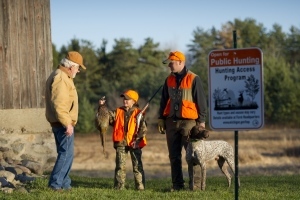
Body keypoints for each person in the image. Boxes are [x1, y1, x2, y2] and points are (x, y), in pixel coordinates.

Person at [157, 51, 207, 191]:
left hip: (189, 122)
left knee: (193, 155)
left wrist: (201, 122)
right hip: (171, 121)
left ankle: (195, 186)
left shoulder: (194, 78)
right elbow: (163, 101)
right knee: (174, 156)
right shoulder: (168, 80)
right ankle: (177, 185)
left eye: (171, 63)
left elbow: (201, 102)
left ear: (180, 62)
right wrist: (161, 117)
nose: (169, 66)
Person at [45, 51, 86, 191]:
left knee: (66, 154)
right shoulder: (61, 77)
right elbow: (60, 103)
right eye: (78, 67)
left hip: (61, 122)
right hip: (63, 123)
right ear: (71, 66)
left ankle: (65, 184)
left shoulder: (62, 76)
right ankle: (55, 184)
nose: (79, 70)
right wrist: (67, 123)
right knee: (66, 154)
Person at [104, 89, 147, 190]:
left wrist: (137, 141)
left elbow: (143, 129)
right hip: (121, 142)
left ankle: (140, 187)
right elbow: (106, 118)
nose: (124, 100)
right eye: (124, 98)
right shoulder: (117, 111)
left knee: (137, 166)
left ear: (134, 101)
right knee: (120, 166)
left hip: (134, 143)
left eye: (127, 99)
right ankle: (119, 187)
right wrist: (102, 107)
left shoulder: (139, 113)